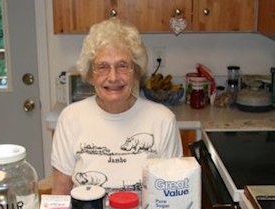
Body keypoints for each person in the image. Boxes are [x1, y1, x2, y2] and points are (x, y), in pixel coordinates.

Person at [51, 18, 182, 195]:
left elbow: (172, 197)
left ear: (135, 72)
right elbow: (60, 192)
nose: (113, 77)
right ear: (90, 75)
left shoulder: (162, 120)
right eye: (102, 67)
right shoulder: (70, 118)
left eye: (122, 66)